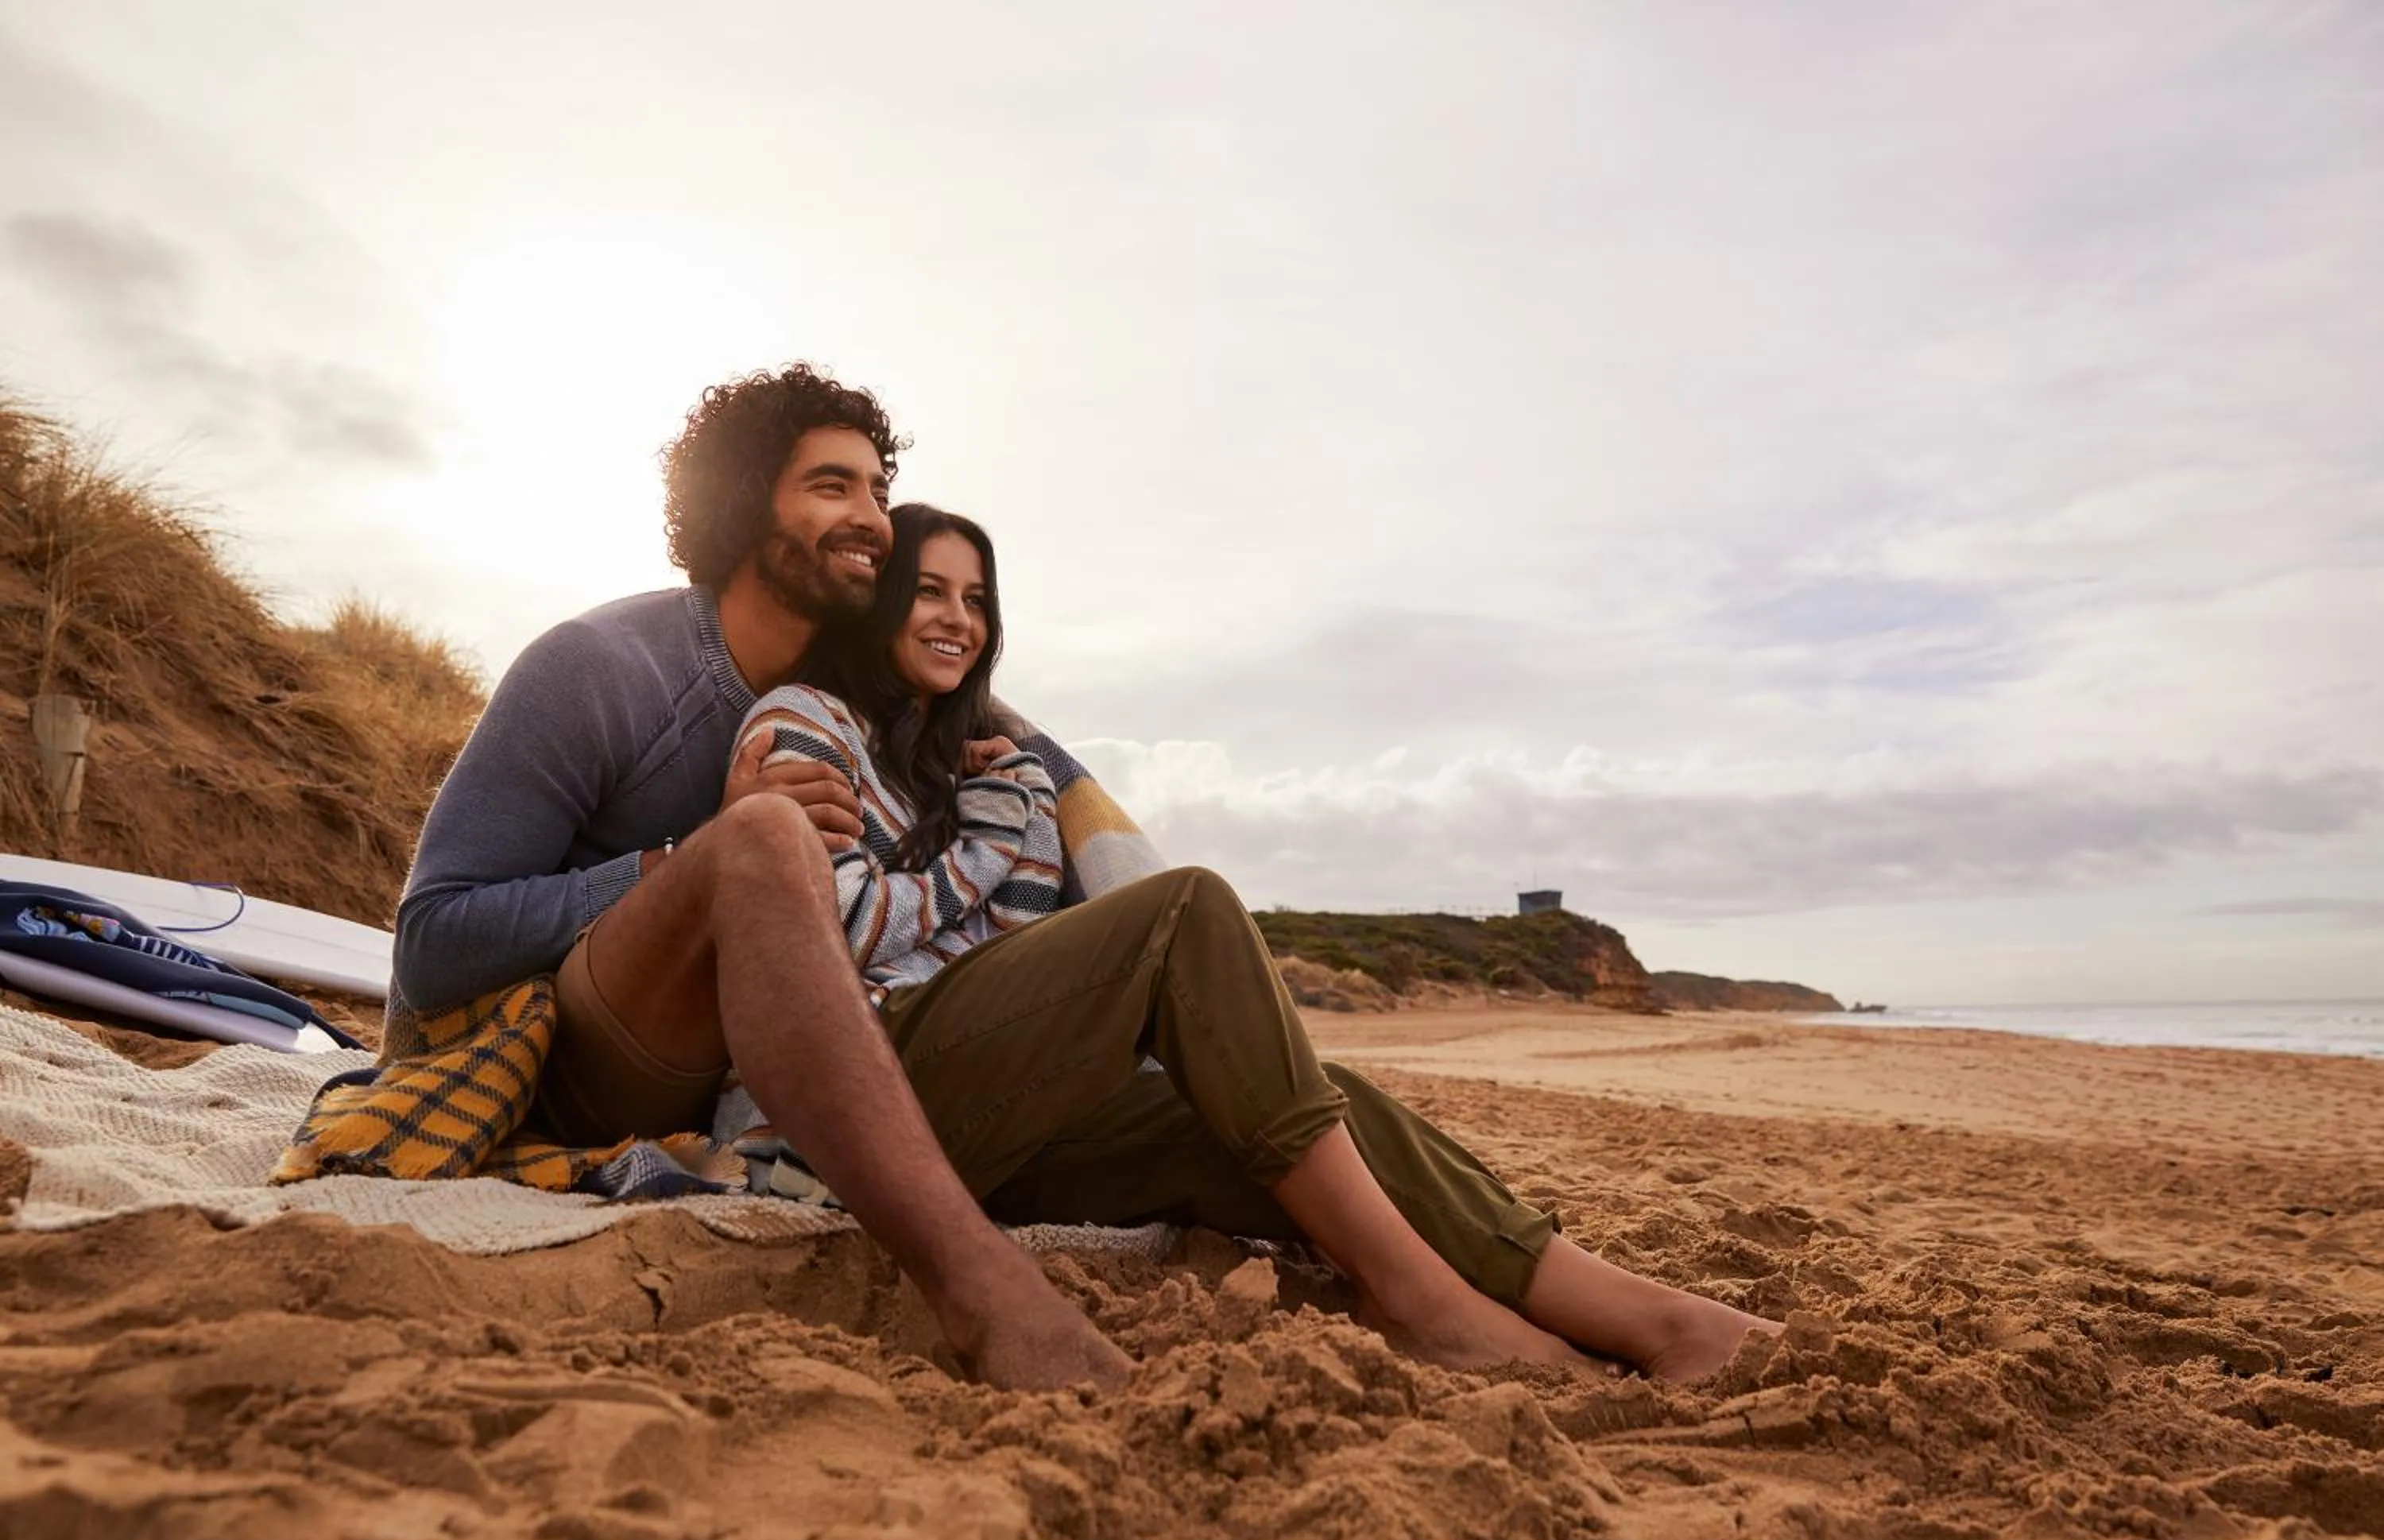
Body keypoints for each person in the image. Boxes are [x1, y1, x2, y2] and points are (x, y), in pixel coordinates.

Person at [395, 363, 1772, 1391]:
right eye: (836, 488)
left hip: (826, 1068)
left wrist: (1018, 752)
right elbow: (435, 945)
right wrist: (681, 859)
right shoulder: (605, 669)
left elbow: (1038, 780)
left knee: (1270, 1116)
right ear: (739, 504)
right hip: (595, 1053)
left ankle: (1628, 1312)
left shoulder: (896, 724)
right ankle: (990, 1294)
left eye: (880, 490)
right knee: (769, 846)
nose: (872, 519)